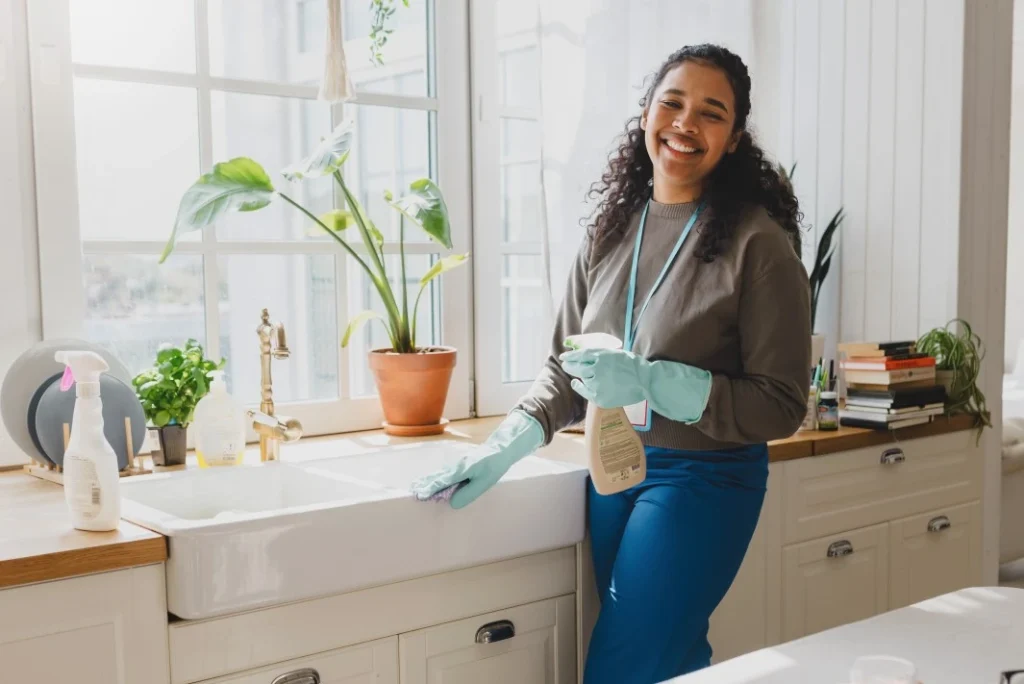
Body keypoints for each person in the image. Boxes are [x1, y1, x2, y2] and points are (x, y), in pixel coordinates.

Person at [411, 44, 811, 682]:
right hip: (614, 469)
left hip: (704, 479)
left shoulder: (758, 245)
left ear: (734, 139)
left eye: (711, 113)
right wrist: (507, 442)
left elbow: (784, 403)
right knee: (672, 661)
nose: (685, 124)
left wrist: (653, 383)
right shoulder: (609, 230)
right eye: (672, 103)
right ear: (647, 112)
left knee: (621, 667)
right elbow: (565, 367)